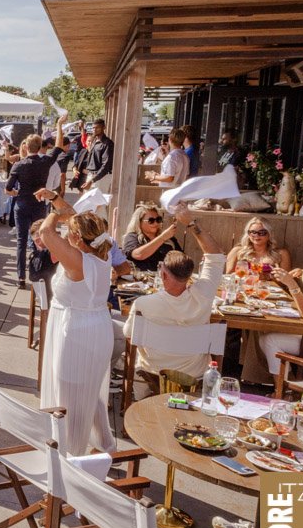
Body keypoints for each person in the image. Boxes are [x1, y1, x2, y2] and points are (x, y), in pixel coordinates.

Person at [34, 191, 115, 455]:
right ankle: (105, 445)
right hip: (95, 326)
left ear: (78, 238)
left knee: (69, 398)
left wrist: (55, 213)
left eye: (70, 232)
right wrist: (56, 198)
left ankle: (71, 455)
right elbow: (73, 217)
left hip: (76, 332)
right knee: (90, 392)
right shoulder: (101, 251)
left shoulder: (78, 261)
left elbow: (46, 233)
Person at [124, 206, 223, 385]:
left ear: (163, 274)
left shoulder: (143, 303)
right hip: (194, 375)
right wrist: (191, 223)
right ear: (190, 275)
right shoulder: (204, 295)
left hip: (153, 373)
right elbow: (215, 256)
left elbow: (130, 336)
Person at [7, 134, 56, 288]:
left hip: (22, 204)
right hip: (38, 204)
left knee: (21, 241)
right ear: (40, 147)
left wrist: (15, 193)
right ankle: (39, 271)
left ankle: (21, 277)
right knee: (39, 239)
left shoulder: (19, 165)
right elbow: (59, 148)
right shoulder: (45, 162)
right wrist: (59, 127)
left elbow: (8, 188)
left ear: (26, 147)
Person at [121, 203, 182, 273]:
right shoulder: (132, 237)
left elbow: (181, 259)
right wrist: (162, 238)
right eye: (151, 220)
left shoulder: (168, 238)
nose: (156, 223)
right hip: (142, 278)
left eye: (158, 219)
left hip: (166, 277)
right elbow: (138, 255)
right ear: (139, 222)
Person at [225, 216, 291, 277]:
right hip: (244, 285)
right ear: (248, 234)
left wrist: (270, 277)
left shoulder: (281, 254)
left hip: (270, 286)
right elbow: (227, 276)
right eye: (253, 232)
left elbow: (287, 281)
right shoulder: (237, 251)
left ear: (269, 234)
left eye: (262, 232)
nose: (257, 235)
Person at [81, 118, 114, 193]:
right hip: (91, 175)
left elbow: (106, 165)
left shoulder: (108, 143)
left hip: (102, 177)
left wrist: (92, 180)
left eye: (97, 128)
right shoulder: (94, 140)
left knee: (99, 199)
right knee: (87, 198)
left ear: (104, 127)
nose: (94, 130)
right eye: (93, 128)